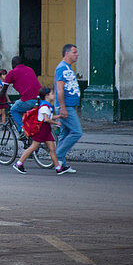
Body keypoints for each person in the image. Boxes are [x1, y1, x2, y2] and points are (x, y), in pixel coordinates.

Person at [13, 87, 69, 175]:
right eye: (52, 94)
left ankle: (58, 168)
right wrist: (56, 122)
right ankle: (18, 163)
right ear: (47, 96)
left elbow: (48, 117)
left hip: (46, 130)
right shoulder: (44, 107)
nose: (54, 96)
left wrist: (58, 116)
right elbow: (46, 119)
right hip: (41, 129)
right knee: (33, 147)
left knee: (52, 148)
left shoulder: (46, 106)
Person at [54, 44, 82, 173]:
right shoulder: (62, 68)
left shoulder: (68, 68)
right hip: (66, 107)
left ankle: (61, 164)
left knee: (64, 134)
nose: (76, 54)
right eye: (74, 52)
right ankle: (57, 156)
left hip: (69, 106)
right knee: (76, 132)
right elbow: (59, 88)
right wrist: (62, 107)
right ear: (66, 53)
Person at [2, 56, 41, 134]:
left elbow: (3, 90)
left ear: (13, 64)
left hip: (28, 98)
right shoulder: (30, 69)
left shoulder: (12, 72)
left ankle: (23, 130)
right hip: (39, 98)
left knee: (14, 109)